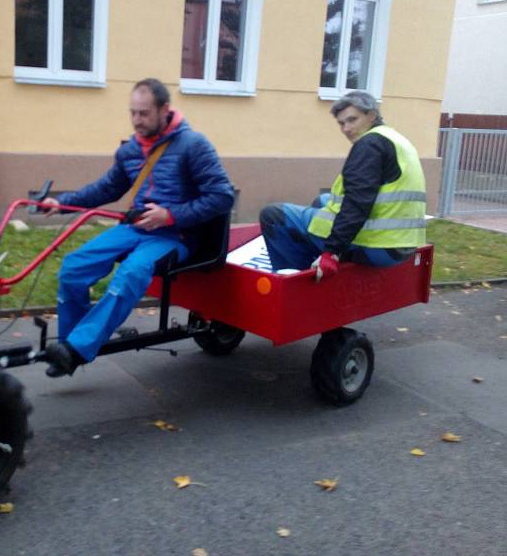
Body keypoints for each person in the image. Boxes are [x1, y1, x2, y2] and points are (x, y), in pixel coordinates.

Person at [40, 78, 235, 377]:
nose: (136, 120)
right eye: (132, 113)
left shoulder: (194, 146)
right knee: (73, 266)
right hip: (136, 229)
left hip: (176, 235)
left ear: (164, 110)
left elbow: (222, 196)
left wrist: (170, 216)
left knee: (131, 273)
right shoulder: (131, 150)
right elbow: (105, 189)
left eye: (144, 113)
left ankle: (77, 348)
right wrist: (60, 203)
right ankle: (69, 346)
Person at [259, 90, 426, 281]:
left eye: (352, 120)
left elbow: (357, 202)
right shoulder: (394, 139)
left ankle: (296, 283)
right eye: (341, 123)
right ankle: (312, 260)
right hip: (402, 244)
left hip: (376, 245)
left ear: (371, 115)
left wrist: (331, 252)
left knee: (273, 215)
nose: (346, 129)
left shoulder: (368, 145)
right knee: (321, 201)